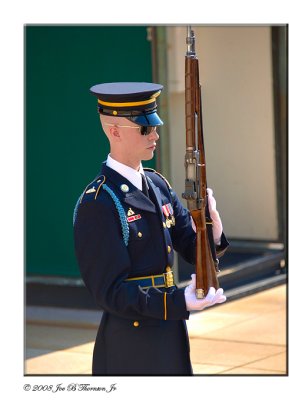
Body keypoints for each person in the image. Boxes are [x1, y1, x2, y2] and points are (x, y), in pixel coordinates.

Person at [73, 82, 229, 376]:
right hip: (132, 345)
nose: (155, 135)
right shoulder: (99, 203)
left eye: (155, 126)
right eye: (144, 129)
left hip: (170, 332)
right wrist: (177, 301)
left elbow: (188, 243)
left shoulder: (158, 185)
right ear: (115, 131)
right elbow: (111, 292)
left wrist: (213, 233)